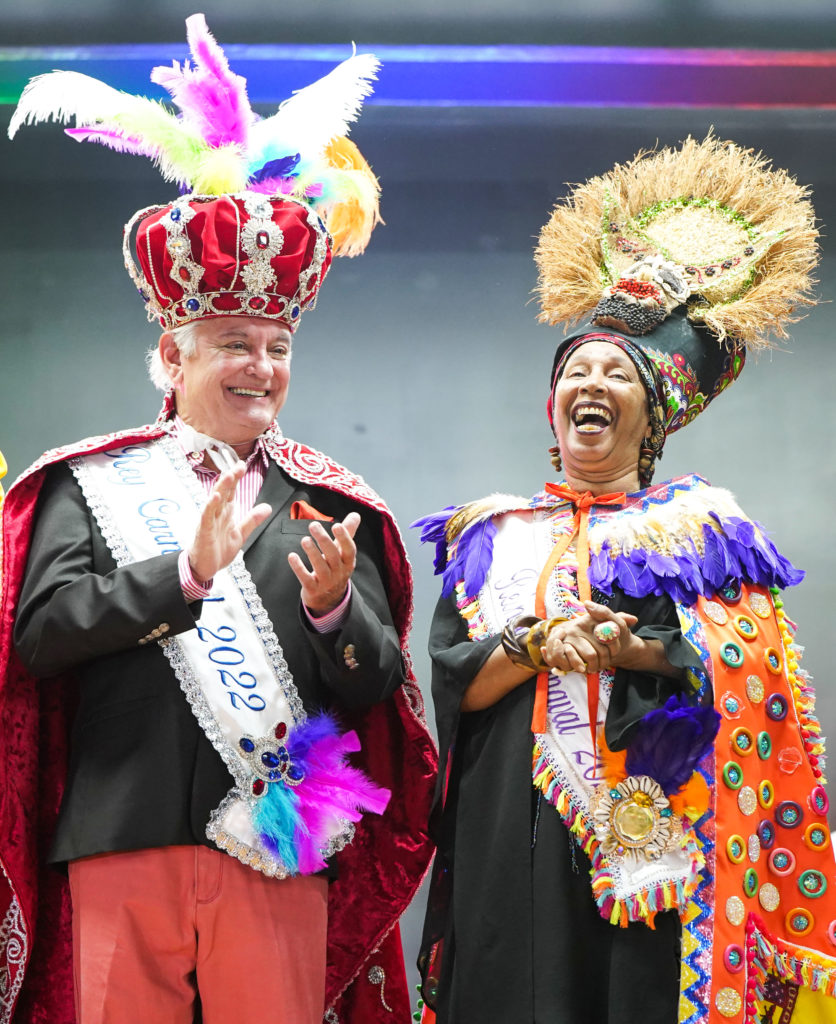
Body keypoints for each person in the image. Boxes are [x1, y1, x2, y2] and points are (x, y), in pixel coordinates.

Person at [0, 16, 436, 1024]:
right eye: (234, 342)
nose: (261, 366)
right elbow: (38, 637)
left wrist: (335, 616)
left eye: (277, 344)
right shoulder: (86, 484)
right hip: (121, 832)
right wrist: (181, 580)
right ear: (174, 355)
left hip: (279, 840)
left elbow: (375, 688)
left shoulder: (329, 502)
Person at [414, 135, 836, 1024]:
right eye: (577, 370)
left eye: (616, 373)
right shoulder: (491, 537)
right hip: (505, 837)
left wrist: (635, 651)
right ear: (553, 402)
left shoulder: (706, 532)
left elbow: (750, 686)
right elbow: (455, 682)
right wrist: (538, 642)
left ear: (653, 417)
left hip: (651, 842)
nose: (591, 383)